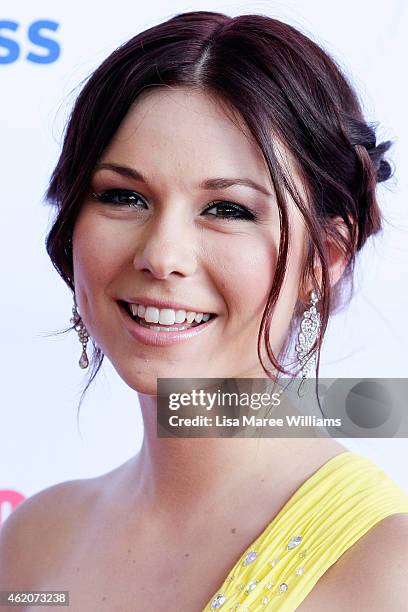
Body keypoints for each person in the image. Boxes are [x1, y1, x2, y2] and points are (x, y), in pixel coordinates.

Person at [1, 11, 407, 611]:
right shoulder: (35, 542)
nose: (162, 255)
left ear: (326, 257)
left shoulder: (385, 571)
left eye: (228, 209)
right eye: (123, 196)